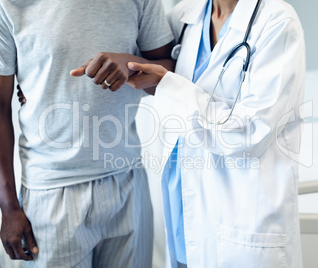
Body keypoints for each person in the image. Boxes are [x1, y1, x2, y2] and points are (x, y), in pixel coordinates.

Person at [0, 0, 174, 267]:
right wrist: (8, 207)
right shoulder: (1, 4)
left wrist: (131, 64)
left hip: (128, 181)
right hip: (51, 193)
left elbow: (171, 74)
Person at [124, 0, 306, 267]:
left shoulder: (277, 22)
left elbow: (249, 133)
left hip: (241, 229)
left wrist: (167, 84)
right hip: (185, 221)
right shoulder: (185, 14)